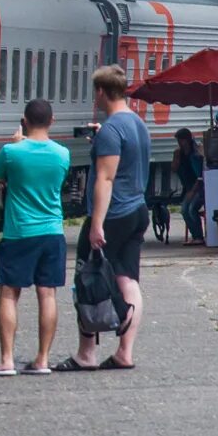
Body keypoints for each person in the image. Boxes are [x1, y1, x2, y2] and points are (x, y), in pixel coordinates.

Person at [57, 65, 150, 372]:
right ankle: (125, 352)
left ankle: (87, 354)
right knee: (127, 278)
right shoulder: (137, 123)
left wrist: (96, 223)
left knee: (88, 279)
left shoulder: (111, 130)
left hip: (114, 214)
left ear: (100, 91)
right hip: (137, 209)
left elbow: (105, 179)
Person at [0, 99, 71, 377]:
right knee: (47, 293)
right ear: (52, 120)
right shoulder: (62, 154)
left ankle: (7, 360)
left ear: (24, 120)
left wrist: (17, 144)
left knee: (9, 294)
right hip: (52, 232)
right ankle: (42, 359)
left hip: (19, 232)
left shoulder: (11, 152)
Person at [172, 127, 205, 245]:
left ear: (188, 140)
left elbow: (200, 176)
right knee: (185, 210)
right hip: (189, 187)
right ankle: (195, 235)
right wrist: (176, 158)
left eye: (182, 140)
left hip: (199, 188)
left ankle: (199, 237)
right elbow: (174, 169)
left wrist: (193, 191)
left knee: (191, 209)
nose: (180, 143)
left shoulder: (195, 154)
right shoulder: (179, 154)